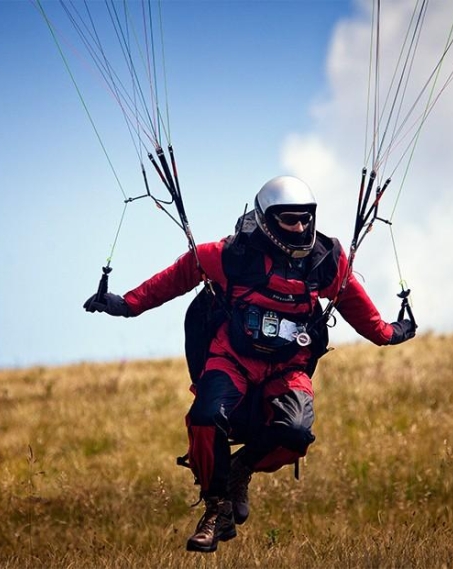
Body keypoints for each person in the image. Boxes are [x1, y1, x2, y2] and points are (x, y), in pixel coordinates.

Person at [83, 176, 416, 553]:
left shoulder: (326, 261)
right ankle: (216, 509)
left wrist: (390, 333)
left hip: (288, 367)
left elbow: (359, 309)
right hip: (233, 358)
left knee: (296, 433)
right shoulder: (231, 255)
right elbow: (179, 276)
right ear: (267, 221)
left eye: (306, 219)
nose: (300, 228)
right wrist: (127, 305)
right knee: (206, 416)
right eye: (290, 220)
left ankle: (240, 469)